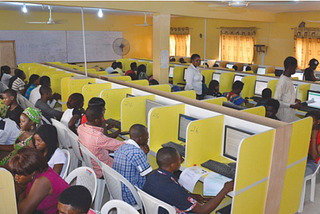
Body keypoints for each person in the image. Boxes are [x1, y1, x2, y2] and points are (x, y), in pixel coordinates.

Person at [143, 147, 234, 214]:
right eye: (179, 159)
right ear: (172, 165)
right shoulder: (174, 189)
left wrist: (190, 196)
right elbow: (203, 211)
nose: (181, 161)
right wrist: (225, 189)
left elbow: (168, 193)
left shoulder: (152, 176)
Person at [8, 148, 69, 214]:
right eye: (15, 174)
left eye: (20, 174)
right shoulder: (40, 170)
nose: (16, 177)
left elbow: (23, 212)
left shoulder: (43, 181)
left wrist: (20, 197)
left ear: (33, 172)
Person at [77, 105, 125, 178]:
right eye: (102, 117)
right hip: (103, 169)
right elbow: (120, 145)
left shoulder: (81, 128)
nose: (103, 119)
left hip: (92, 164)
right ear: (96, 120)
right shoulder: (97, 137)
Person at [113, 124, 152, 205]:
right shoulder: (137, 153)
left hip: (118, 190)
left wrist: (144, 155)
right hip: (131, 195)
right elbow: (149, 175)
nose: (147, 139)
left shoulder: (122, 146)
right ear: (140, 138)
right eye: (147, 137)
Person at [274, 56, 302, 122]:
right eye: (295, 67)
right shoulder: (282, 81)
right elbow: (276, 101)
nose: (296, 69)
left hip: (289, 114)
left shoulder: (288, 79)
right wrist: (291, 105)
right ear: (291, 67)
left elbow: (286, 96)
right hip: (283, 116)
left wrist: (295, 100)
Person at [305, 111, 320, 176]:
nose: (309, 123)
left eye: (312, 121)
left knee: (300, 174)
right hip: (300, 159)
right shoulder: (304, 131)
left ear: (318, 122)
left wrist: (314, 137)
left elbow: (314, 157)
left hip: (313, 162)